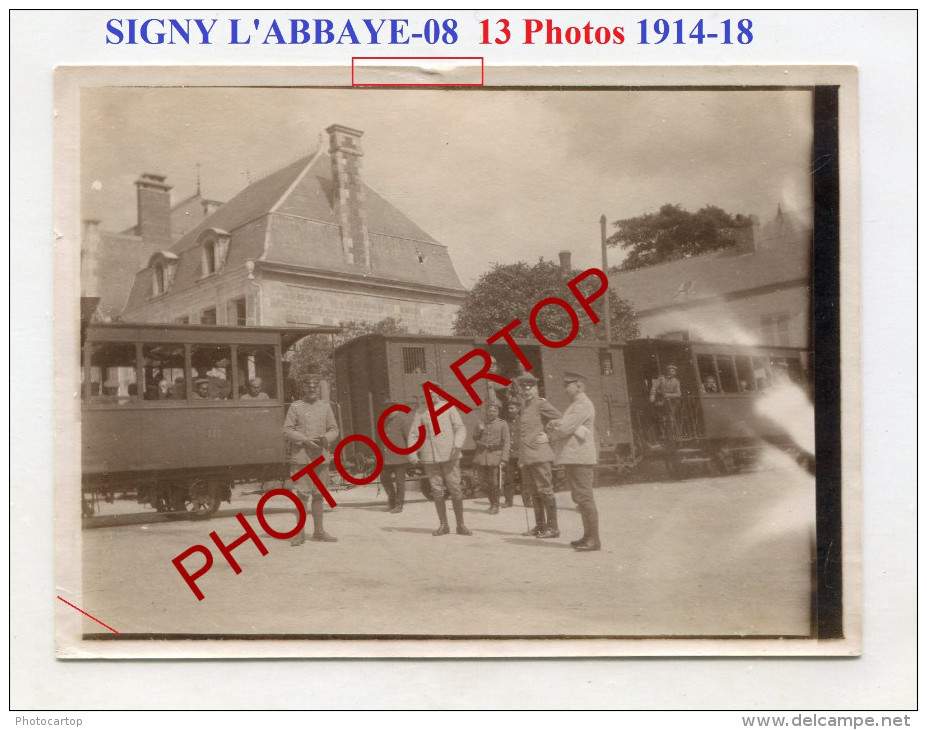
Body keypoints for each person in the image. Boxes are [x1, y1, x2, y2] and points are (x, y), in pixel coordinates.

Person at [283, 373, 339, 545]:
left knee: (318, 494)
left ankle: (319, 532)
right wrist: (304, 439)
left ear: (318, 389)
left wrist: (326, 439)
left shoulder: (325, 406)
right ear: (303, 388)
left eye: (315, 386)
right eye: (309, 386)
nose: (312, 389)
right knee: (301, 495)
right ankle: (299, 533)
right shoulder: (295, 406)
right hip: (301, 458)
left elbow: (334, 429)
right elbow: (286, 430)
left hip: (320, 458)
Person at [549, 372, 601, 552]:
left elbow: (565, 428)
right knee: (579, 497)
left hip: (580, 457)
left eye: (568, 385)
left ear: (578, 385)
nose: (565, 389)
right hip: (575, 457)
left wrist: (556, 426)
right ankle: (587, 536)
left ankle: (594, 540)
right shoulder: (576, 405)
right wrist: (559, 423)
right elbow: (566, 425)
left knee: (584, 498)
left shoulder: (582, 404)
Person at [407, 392, 469, 536]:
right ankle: (444, 525)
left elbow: (460, 428)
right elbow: (413, 434)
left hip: (450, 455)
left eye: (433, 394)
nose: (430, 397)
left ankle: (461, 525)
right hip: (430, 456)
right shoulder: (421, 411)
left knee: (455, 489)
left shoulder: (449, 407)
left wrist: (457, 444)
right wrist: (412, 452)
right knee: (436, 490)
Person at [512, 371, 562, 538]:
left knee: (545, 490)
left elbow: (559, 419)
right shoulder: (524, 406)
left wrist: (548, 433)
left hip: (540, 454)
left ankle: (553, 528)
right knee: (533, 492)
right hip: (527, 455)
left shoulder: (540, 404)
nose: (526, 391)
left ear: (535, 388)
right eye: (523, 388)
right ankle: (540, 526)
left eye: (529, 387)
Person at [472, 402, 510, 515]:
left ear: (498, 412)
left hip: (495, 457)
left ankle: (495, 506)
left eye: (494, 411)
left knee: (494, 482)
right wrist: (480, 431)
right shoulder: (480, 423)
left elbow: (506, 442)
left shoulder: (502, 424)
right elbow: (474, 438)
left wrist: (504, 458)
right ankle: (491, 504)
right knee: (483, 483)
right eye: (490, 411)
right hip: (481, 457)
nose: (491, 413)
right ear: (486, 412)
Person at [380, 399, 412, 513]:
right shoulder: (386, 420)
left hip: (400, 456)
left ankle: (399, 505)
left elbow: (409, 436)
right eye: (386, 408)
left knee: (400, 482)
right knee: (383, 478)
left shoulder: (402, 418)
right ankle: (392, 501)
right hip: (388, 457)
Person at [650, 364, 681, 440]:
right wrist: (652, 396)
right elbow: (654, 387)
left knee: (671, 419)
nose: (671, 373)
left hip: (671, 403)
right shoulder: (661, 379)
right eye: (669, 371)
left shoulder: (676, 382)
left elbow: (678, 394)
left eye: (673, 371)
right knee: (661, 418)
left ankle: (671, 435)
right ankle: (662, 434)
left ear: (675, 373)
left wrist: (667, 395)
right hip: (660, 401)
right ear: (667, 372)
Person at [501, 400, 521, 508]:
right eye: (508, 408)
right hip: (509, 455)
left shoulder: (523, 421)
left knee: (526, 479)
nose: (510, 410)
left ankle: (528, 500)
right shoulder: (504, 422)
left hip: (521, 455)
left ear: (518, 409)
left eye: (512, 408)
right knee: (509, 479)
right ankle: (508, 501)